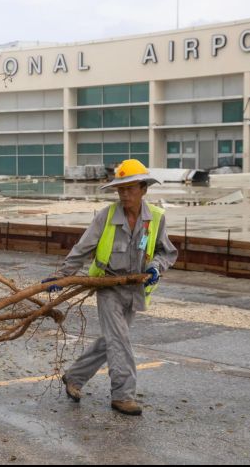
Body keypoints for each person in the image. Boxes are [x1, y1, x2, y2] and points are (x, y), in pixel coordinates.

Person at [43, 159, 178, 415]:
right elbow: (82, 249)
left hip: (135, 289)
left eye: (130, 188)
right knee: (119, 340)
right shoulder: (106, 217)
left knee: (112, 340)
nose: (124, 194)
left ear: (143, 189)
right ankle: (123, 395)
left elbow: (166, 252)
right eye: (120, 189)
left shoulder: (156, 218)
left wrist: (156, 268)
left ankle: (74, 376)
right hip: (108, 286)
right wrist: (61, 275)